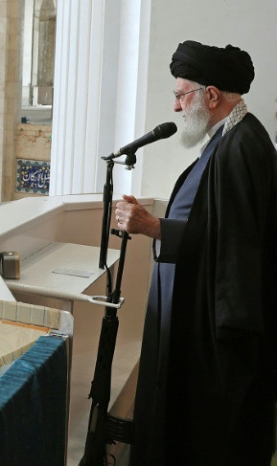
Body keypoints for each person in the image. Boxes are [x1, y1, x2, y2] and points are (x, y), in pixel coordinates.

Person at [115, 40, 277, 465]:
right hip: (198, 325)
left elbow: (236, 250)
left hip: (214, 344)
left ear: (210, 95)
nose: (175, 107)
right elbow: (217, 229)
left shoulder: (241, 147)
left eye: (180, 94)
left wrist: (153, 227)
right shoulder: (231, 138)